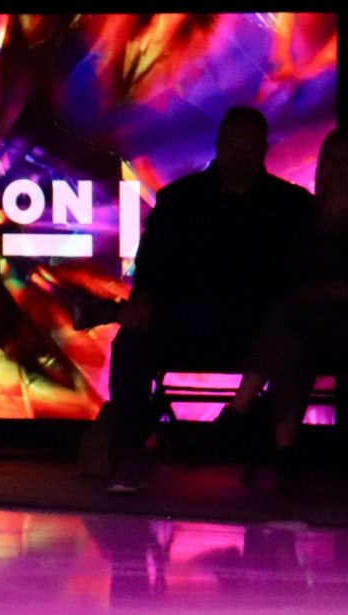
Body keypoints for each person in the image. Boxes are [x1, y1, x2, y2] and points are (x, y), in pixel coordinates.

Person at [104, 106, 315, 493]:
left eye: (248, 146)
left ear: (264, 149)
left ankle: (283, 457)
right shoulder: (180, 201)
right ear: (218, 146)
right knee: (131, 342)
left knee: (296, 337)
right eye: (231, 145)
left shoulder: (292, 206)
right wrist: (143, 298)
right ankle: (131, 454)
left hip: (259, 332)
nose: (238, 155)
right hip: (185, 323)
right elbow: (149, 266)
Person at [218, 128, 348, 490]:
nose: (339, 169)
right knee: (294, 342)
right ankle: (284, 456)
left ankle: (240, 409)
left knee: (292, 321)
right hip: (308, 322)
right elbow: (284, 273)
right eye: (333, 160)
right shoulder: (304, 214)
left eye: (347, 162)